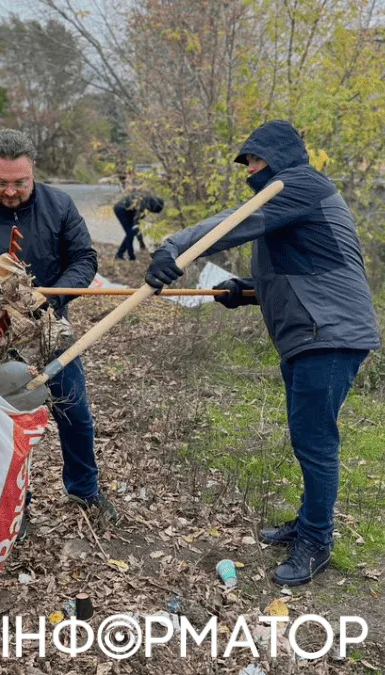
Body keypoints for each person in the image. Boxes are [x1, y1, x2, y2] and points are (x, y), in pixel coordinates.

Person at [144, 119, 380, 586]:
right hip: (313, 332)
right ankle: (309, 521)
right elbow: (306, 270)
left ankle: (317, 540)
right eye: (246, 162)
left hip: (330, 334)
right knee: (306, 438)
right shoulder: (291, 203)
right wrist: (245, 290)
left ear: (279, 155)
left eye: (255, 159)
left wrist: (175, 248)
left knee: (315, 442)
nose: (249, 168)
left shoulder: (301, 184)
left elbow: (232, 223)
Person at [0, 129, 116, 532]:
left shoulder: (58, 205)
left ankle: (84, 489)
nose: (10, 191)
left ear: (33, 172)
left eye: (19, 182)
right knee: (3, 424)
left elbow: (84, 258)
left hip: (49, 327)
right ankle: (14, 507)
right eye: (0, 183)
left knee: (74, 412)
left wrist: (48, 300)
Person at [113, 189, 164, 261]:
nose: (151, 212)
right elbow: (135, 225)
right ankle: (128, 256)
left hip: (128, 211)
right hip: (120, 209)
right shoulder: (143, 204)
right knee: (130, 233)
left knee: (130, 233)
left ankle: (120, 254)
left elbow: (137, 225)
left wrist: (141, 242)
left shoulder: (148, 201)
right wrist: (141, 243)